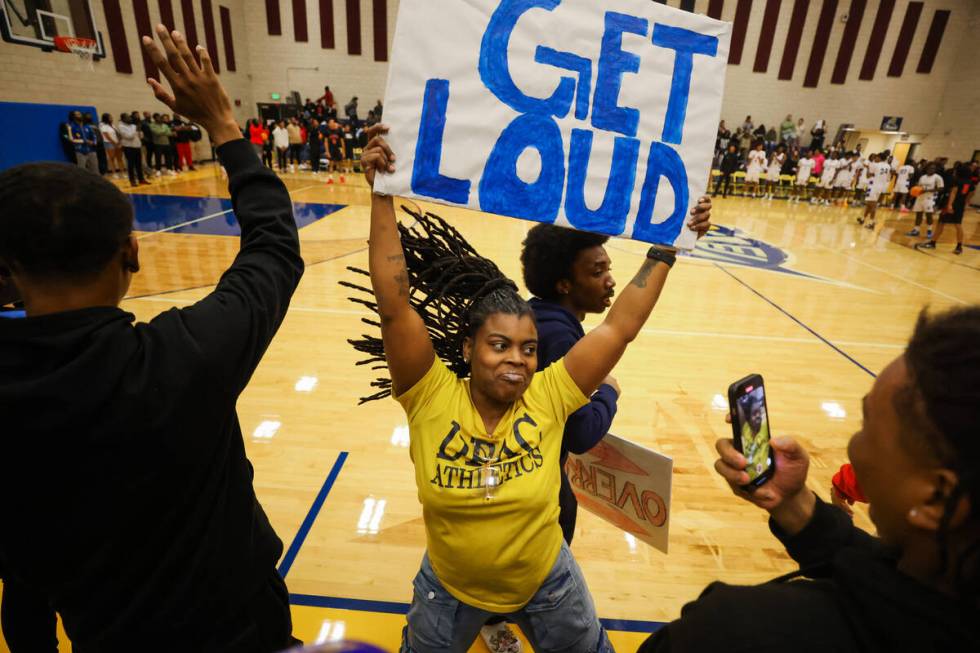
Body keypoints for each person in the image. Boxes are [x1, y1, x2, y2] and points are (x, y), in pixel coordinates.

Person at [350, 123, 711, 653]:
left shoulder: (549, 395)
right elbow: (394, 303)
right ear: (470, 347)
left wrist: (667, 246)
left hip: (549, 584)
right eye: (500, 345)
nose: (517, 360)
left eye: (528, 348)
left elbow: (619, 327)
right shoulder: (429, 394)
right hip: (448, 590)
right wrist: (381, 196)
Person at [0, 26, 304, 651]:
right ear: (132, 253)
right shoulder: (183, 357)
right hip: (241, 629)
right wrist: (222, 123)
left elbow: (22, 584)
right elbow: (274, 247)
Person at [639, 305, 980, 652]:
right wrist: (794, 504)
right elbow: (884, 572)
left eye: (867, 426)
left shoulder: (732, 632)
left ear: (936, 498)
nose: (853, 446)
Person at [917, 163, 974, 254]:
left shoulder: (957, 181)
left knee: (941, 223)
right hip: (960, 206)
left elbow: (953, 193)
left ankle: (932, 243)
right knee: (958, 225)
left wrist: (949, 205)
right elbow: (971, 193)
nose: (955, 172)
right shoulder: (970, 183)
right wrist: (966, 202)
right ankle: (959, 247)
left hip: (951, 205)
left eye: (956, 171)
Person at [907, 163, 944, 238]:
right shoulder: (922, 177)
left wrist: (927, 190)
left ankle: (929, 230)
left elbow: (941, 188)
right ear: (927, 169)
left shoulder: (938, 178)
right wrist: (915, 191)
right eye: (930, 168)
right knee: (918, 214)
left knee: (929, 215)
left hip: (930, 198)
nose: (931, 170)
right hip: (920, 197)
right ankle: (916, 230)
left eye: (933, 168)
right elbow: (919, 187)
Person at [859, 153, 893, 229]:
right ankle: (863, 219)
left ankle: (872, 222)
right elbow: (888, 178)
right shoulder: (888, 166)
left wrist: (867, 168)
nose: (875, 159)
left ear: (879, 158)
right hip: (880, 187)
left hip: (873, 186)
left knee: (872, 205)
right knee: (869, 203)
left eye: (876, 157)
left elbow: (868, 176)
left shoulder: (875, 165)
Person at [116, 112, 150, 187]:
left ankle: (141, 179)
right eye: (127, 117)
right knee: (131, 165)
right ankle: (132, 181)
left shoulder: (133, 125)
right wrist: (136, 130)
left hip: (137, 146)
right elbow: (129, 136)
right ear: (123, 119)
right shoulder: (121, 126)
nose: (130, 118)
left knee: (139, 164)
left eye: (130, 117)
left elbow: (140, 137)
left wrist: (140, 132)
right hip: (128, 147)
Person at [99, 113, 124, 179]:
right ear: (106, 118)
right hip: (109, 143)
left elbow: (117, 134)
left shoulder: (113, 125)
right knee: (112, 158)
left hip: (117, 142)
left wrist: (119, 142)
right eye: (110, 117)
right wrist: (114, 143)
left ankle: (122, 172)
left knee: (119, 158)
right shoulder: (103, 126)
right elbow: (107, 136)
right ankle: (114, 173)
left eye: (111, 117)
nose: (111, 118)